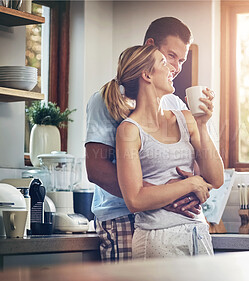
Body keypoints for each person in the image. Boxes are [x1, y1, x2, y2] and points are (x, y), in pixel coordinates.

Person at [85, 17, 211, 262]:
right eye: (171, 56)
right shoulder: (105, 100)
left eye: (182, 60)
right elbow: (96, 169)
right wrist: (165, 198)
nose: (176, 67)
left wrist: (188, 191)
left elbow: (196, 164)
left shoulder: (175, 104)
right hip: (121, 215)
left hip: (175, 221)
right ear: (151, 46)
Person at [104, 44, 224, 258]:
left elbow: (216, 178)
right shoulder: (129, 130)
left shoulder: (186, 118)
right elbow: (135, 200)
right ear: (147, 75)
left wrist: (203, 124)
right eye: (163, 62)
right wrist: (191, 183)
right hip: (156, 238)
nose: (172, 69)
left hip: (197, 233)